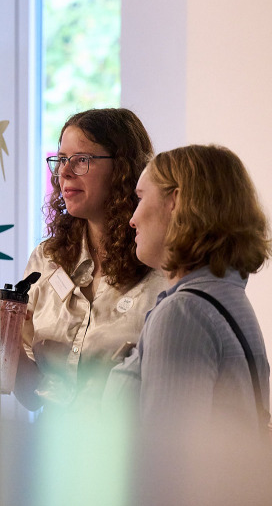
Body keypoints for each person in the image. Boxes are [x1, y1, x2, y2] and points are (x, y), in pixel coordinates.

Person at [107, 145, 271, 435]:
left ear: (175, 201)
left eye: (141, 198)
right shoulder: (227, 298)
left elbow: (168, 455)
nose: (132, 219)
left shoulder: (182, 314)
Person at [14, 108, 165, 413]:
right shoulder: (46, 259)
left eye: (81, 159)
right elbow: (32, 396)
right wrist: (4, 337)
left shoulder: (160, 266)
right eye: (61, 159)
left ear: (122, 168)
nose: (65, 172)